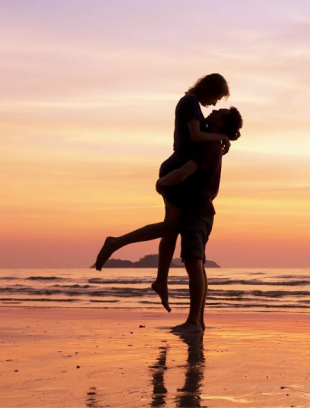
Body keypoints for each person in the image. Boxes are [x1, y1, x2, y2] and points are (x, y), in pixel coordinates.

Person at [92, 74, 234, 312]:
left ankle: (160, 280)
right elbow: (196, 136)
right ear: (209, 89)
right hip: (177, 169)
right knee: (170, 227)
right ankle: (116, 243)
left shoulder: (193, 104)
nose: (214, 104)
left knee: (171, 229)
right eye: (216, 98)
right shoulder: (189, 102)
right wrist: (222, 136)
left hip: (178, 169)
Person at [155, 107, 240, 333]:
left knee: (194, 263)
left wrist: (161, 183)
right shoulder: (212, 142)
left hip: (197, 211)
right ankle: (197, 321)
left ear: (222, 123)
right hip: (199, 210)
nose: (214, 110)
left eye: (219, 112)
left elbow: (184, 172)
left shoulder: (209, 147)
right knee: (197, 264)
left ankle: (194, 321)